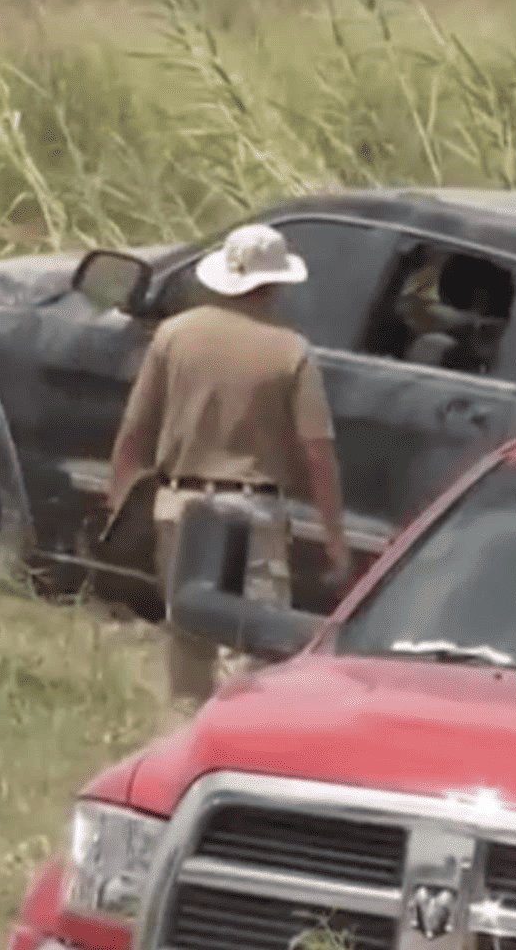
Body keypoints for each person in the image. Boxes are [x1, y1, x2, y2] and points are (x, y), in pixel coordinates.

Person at [107, 223, 352, 714]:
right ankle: (240, 730)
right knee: (254, 638)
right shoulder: (290, 350)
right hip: (252, 506)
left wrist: (117, 502)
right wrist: (333, 536)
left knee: (188, 629)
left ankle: (184, 728)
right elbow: (316, 451)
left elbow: (135, 430)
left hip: (181, 502)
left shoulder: (174, 335)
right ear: (277, 284)